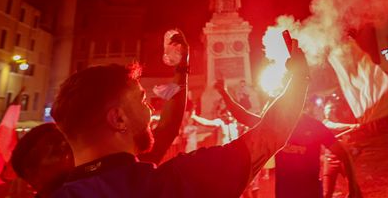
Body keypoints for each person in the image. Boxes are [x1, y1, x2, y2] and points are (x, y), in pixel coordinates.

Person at [49, 33, 309, 198]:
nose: (151, 109)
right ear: (118, 119)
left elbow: (168, 126)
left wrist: (182, 69)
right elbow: (269, 134)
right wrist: (299, 77)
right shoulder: (175, 184)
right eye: (142, 100)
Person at [10, 30, 191, 197]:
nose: (67, 150)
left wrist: (182, 68)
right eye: (56, 149)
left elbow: (167, 128)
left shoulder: (117, 174)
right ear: (33, 176)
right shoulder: (132, 183)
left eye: (63, 142)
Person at [215, 82, 361, 198]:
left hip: (310, 194)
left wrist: (353, 187)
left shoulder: (315, 126)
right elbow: (242, 116)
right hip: (285, 194)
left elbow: (343, 154)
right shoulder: (276, 125)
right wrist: (223, 92)